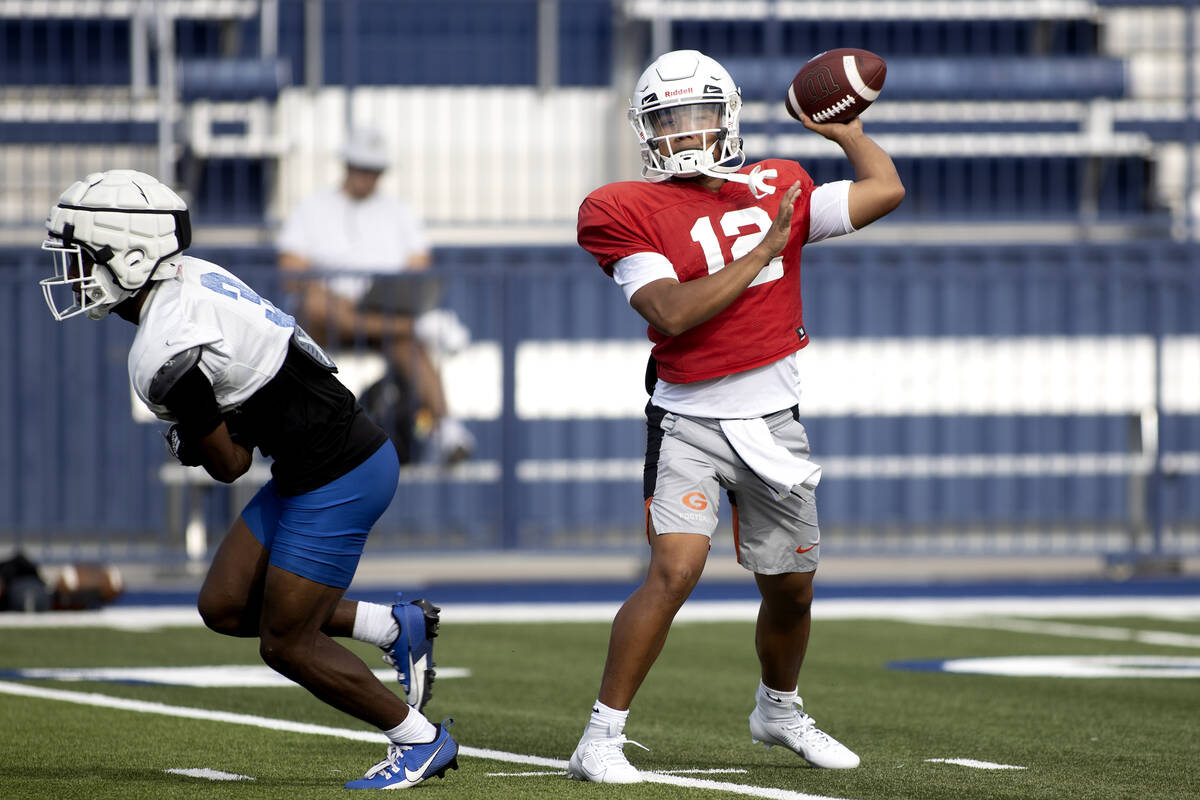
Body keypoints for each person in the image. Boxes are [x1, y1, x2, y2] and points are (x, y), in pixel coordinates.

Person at [38, 169, 459, 790]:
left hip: (339, 471)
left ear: (130, 258)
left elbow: (231, 465)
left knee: (287, 643)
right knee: (225, 605)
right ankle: (393, 626)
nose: (72, 274)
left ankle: (419, 741)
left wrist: (188, 437)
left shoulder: (160, 348)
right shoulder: (189, 275)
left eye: (82, 257)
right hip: (316, 460)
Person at [567, 50, 905, 782]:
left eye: (698, 114)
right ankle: (600, 737)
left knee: (793, 587)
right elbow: (671, 312)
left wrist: (842, 127)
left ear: (727, 117)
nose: (687, 132)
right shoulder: (619, 206)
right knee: (675, 569)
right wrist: (764, 251)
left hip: (773, 423)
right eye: (669, 119)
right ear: (646, 129)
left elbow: (886, 188)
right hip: (689, 420)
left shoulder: (778, 181)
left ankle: (778, 710)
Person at [277, 125, 474, 465]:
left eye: (374, 170)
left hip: (379, 313)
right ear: (347, 166)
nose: (367, 177)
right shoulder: (312, 208)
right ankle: (418, 326)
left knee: (403, 341)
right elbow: (291, 272)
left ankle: (447, 431)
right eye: (361, 168)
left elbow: (418, 265)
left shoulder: (398, 212)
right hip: (328, 319)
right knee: (318, 302)